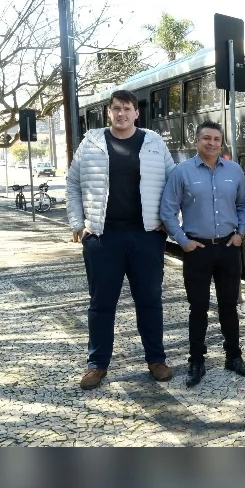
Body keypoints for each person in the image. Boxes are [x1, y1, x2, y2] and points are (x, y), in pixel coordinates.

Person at [66, 89, 176, 390]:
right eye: (116, 108)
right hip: (103, 238)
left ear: (136, 113)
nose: (121, 114)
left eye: (127, 109)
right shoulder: (91, 143)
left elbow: (174, 183)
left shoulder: (153, 142)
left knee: (150, 301)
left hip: (146, 236)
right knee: (101, 304)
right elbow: (73, 184)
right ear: (109, 112)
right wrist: (78, 225)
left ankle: (156, 359)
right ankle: (97, 364)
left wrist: (168, 221)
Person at [160, 120, 245, 387]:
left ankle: (233, 356)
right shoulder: (182, 172)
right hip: (197, 250)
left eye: (216, 139)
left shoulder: (234, 170)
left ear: (221, 142)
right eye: (206, 138)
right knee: (198, 307)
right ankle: (196, 361)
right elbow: (167, 210)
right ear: (197, 141)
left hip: (228, 247)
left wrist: (240, 233)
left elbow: (243, 205)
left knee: (229, 306)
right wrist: (182, 241)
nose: (212, 143)